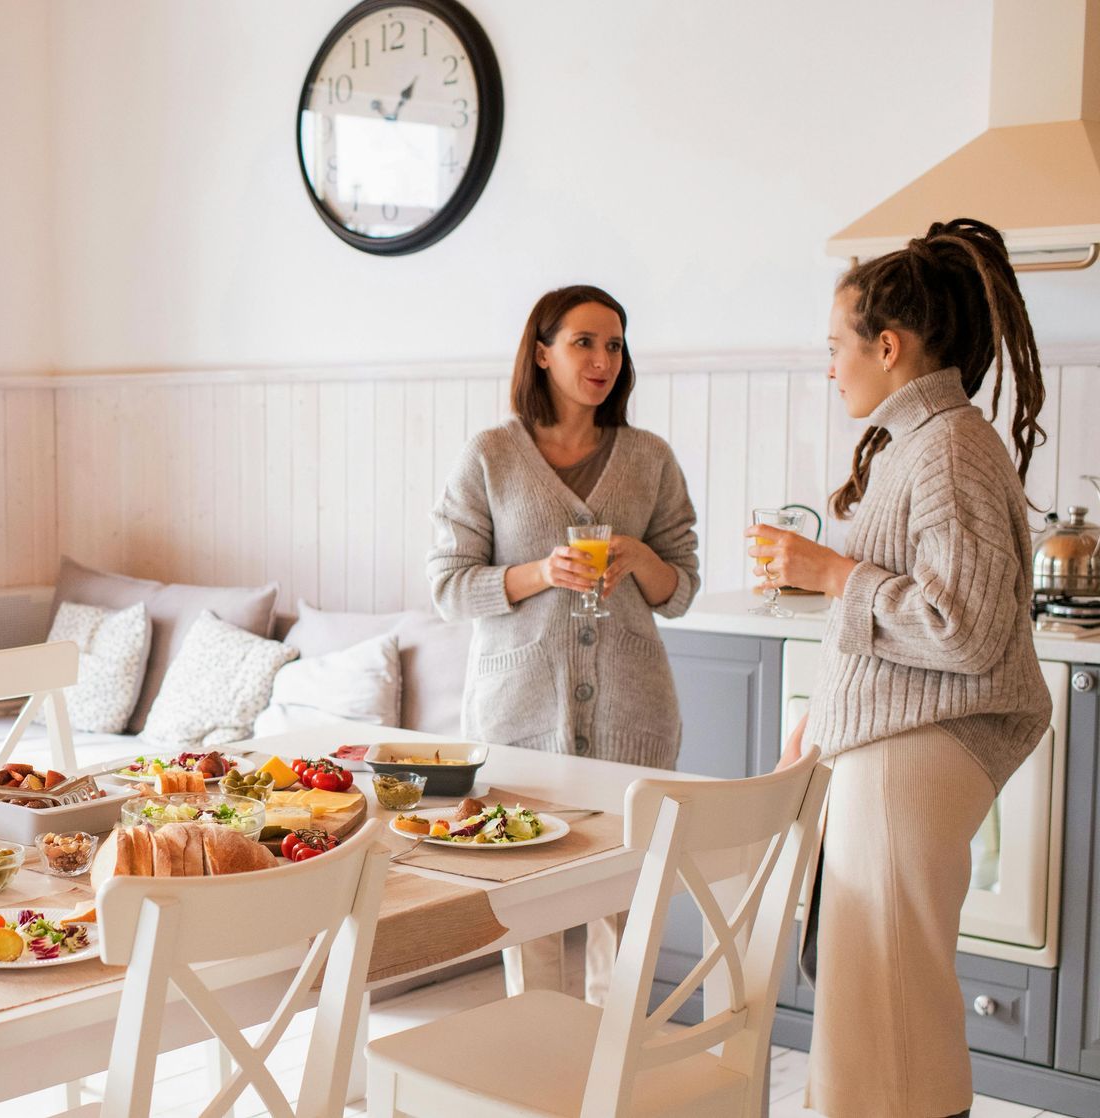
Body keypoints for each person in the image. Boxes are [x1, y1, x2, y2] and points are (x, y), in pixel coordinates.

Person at [750, 218, 1051, 1118]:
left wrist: (836, 573)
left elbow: (962, 629)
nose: (832, 365)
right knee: (877, 1006)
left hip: (916, 753)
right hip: (892, 746)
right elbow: (914, 612)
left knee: (889, 1006)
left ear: (888, 345)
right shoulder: (925, 443)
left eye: (837, 346)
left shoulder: (948, 445)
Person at [427, 283, 700, 1003]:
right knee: (531, 907)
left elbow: (684, 586)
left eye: (614, 344)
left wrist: (643, 561)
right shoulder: (491, 455)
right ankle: (540, 1074)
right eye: (584, 342)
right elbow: (449, 587)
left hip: (631, 720)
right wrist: (538, 574)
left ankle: (616, 1081)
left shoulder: (649, 458)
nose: (602, 358)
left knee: (625, 905)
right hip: (519, 718)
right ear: (542, 353)